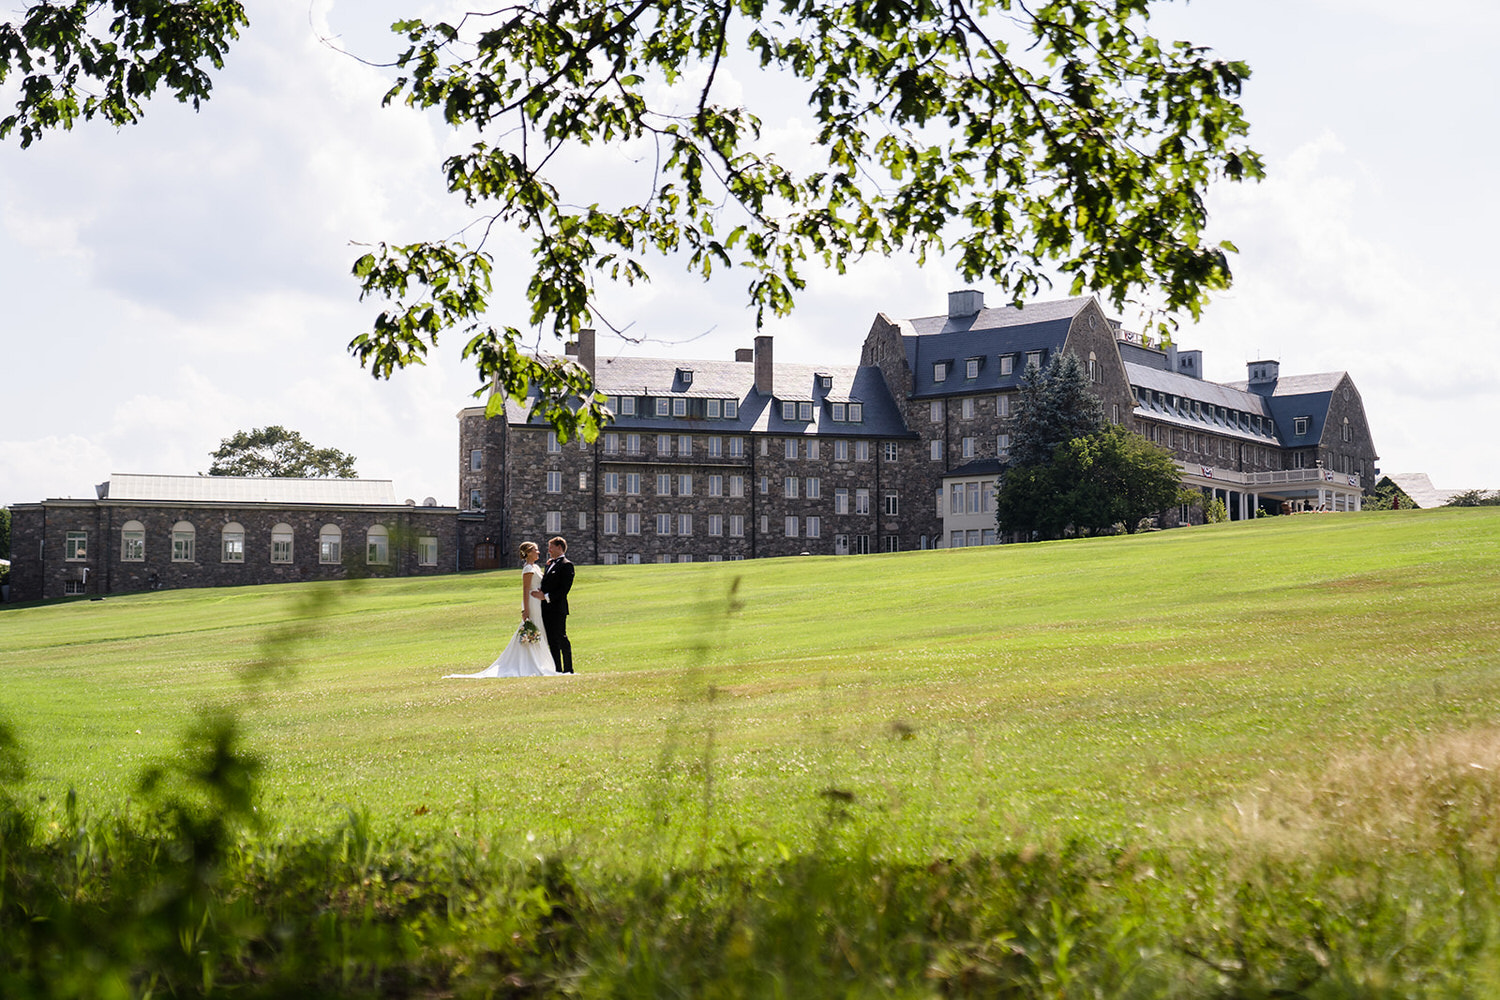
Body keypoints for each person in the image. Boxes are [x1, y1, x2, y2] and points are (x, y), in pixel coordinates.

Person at [445, 541, 555, 678]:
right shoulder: (527, 569)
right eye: (535, 550)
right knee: (534, 628)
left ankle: (539, 661)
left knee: (540, 629)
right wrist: (525, 609)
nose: (538, 552)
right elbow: (526, 590)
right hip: (532, 602)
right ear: (528, 552)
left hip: (539, 602)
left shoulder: (536, 567)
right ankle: (531, 662)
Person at [533, 535, 574, 673]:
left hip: (558, 608)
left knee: (561, 637)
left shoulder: (567, 565)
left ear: (559, 547)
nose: (549, 550)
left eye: (551, 547)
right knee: (551, 641)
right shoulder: (549, 564)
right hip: (546, 609)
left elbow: (564, 590)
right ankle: (556, 669)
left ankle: (568, 668)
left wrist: (545, 597)